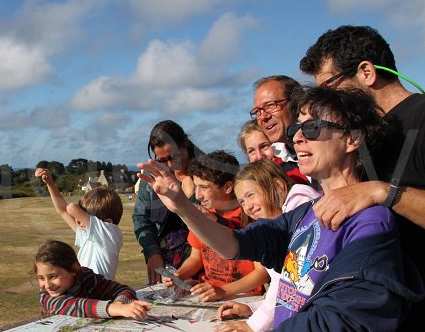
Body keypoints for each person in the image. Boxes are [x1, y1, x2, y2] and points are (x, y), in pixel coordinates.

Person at [139, 87, 424, 332]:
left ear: (352, 139)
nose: (298, 138)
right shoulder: (305, 213)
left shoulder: (373, 223)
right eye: (295, 130)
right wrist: (180, 205)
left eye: (312, 128)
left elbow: (340, 325)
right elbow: (235, 245)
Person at [300, 24, 425, 332]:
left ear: (366, 72)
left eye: (329, 86)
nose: (324, 99)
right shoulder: (374, 136)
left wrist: (381, 191)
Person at [214, 159, 320, 332]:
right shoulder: (279, 216)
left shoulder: (302, 205)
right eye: (242, 201)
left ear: (277, 186)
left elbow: (290, 279)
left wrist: (254, 325)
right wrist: (252, 308)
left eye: (251, 195)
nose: (247, 206)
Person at [165, 150, 269, 302]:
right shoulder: (202, 216)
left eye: (204, 188)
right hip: (210, 294)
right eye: (196, 187)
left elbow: (262, 273)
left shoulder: (251, 216)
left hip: (244, 296)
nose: (198, 195)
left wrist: (223, 291)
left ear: (228, 187)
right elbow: (196, 258)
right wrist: (179, 275)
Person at [132, 120, 202, 283]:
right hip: (164, 263)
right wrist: (152, 252)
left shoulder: (208, 173)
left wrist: (190, 196)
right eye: (163, 160)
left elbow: (215, 222)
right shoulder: (152, 176)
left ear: (185, 142)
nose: (171, 164)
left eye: (174, 156)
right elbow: (141, 217)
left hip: (203, 265)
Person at [36, 168, 123, 280]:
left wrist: (78, 212)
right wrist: (50, 183)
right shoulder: (88, 235)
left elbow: (71, 208)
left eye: (85, 217)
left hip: (98, 294)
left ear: (108, 223)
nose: (79, 221)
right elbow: (63, 210)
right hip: (85, 292)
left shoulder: (109, 234)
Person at [35, 240, 150, 319]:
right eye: (41, 278)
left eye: (53, 277)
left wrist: (119, 304)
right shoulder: (48, 297)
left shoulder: (88, 279)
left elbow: (123, 289)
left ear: (74, 269)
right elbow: (78, 306)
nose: (47, 285)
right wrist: (114, 309)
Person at [252, 76, 317, 190]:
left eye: (270, 106)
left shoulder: (330, 142)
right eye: (257, 111)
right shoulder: (276, 169)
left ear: (297, 103)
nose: (263, 116)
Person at [237, 120, 310, 186]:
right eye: (251, 151)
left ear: (276, 145)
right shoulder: (250, 184)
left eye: (264, 146)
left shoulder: (293, 173)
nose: (259, 156)